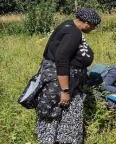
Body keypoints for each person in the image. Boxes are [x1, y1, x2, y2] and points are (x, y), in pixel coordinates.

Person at [36, 8, 101, 144]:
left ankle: (62, 139)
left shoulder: (69, 25)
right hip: (59, 83)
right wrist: (65, 90)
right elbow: (61, 59)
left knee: (63, 116)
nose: (93, 29)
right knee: (54, 115)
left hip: (63, 80)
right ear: (86, 22)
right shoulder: (73, 33)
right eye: (93, 26)